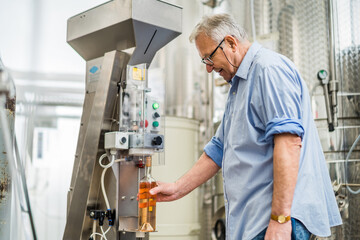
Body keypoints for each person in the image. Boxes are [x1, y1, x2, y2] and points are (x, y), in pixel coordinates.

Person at [149, 13, 342, 240]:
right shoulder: (239, 85)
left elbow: (289, 143)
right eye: (204, 62)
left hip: (275, 220)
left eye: (209, 57)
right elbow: (218, 149)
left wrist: (280, 219)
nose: (209, 69)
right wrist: (177, 188)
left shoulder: (268, 70)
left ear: (230, 43)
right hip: (253, 223)